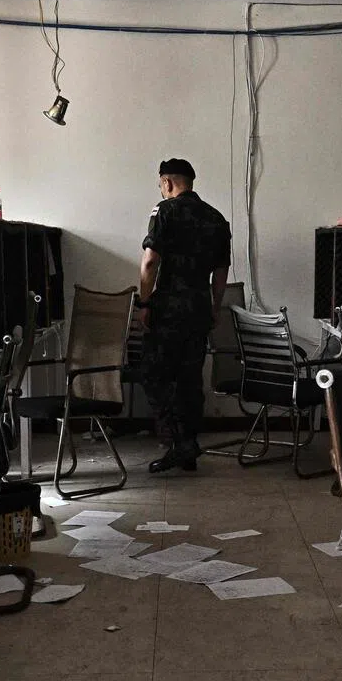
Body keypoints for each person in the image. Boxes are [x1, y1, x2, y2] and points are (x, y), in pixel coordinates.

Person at [136, 158, 231, 473]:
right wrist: (215, 308)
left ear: (167, 182)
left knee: (155, 373)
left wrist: (144, 304)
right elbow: (221, 273)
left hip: (168, 308)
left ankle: (177, 442)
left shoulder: (165, 211)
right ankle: (188, 445)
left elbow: (150, 262)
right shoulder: (216, 219)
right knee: (190, 379)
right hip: (199, 307)